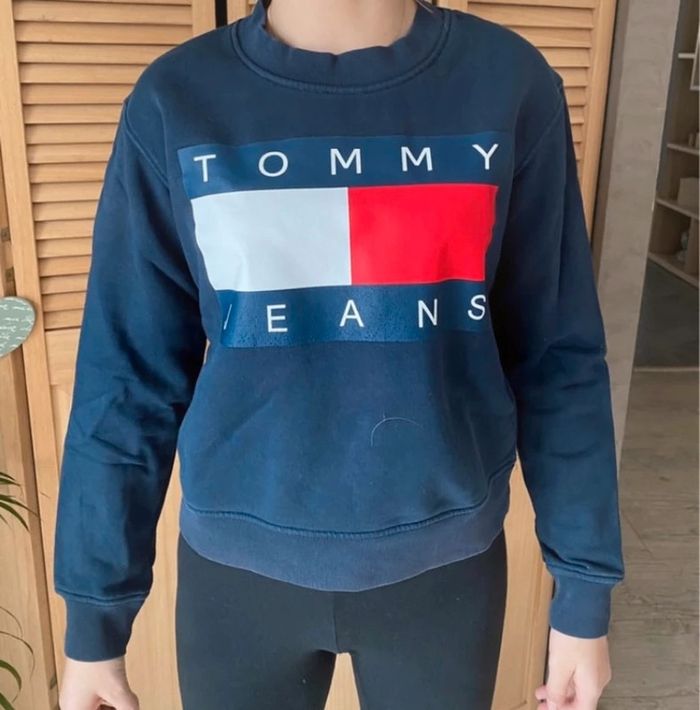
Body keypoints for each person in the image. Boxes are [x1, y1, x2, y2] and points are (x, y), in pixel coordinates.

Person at [54, 0, 625, 708]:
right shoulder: (175, 99)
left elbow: (557, 358)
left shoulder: (509, 84)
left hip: (445, 577)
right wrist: (94, 622)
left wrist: (583, 594)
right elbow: (128, 375)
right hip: (237, 584)